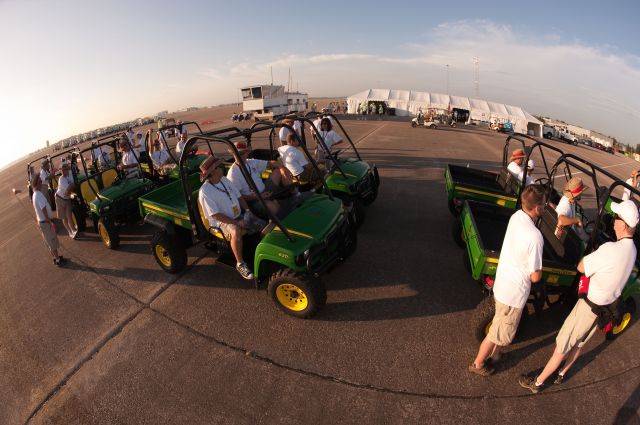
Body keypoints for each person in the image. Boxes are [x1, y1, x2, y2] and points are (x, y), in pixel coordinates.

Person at [519, 199, 639, 393]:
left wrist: (593, 254)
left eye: (616, 218)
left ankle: (538, 382)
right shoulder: (632, 249)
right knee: (579, 344)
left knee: (563, 344)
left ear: (624, 225)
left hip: (588, 308)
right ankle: (561, 374)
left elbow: (581, 267)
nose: (613, 221)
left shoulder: (610, 249)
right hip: (604, 309)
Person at [469, 185, 545, 376]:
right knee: (497, 333)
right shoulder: (535, 237)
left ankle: (496, 356)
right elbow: (535, 276)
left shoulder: (517, 216)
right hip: (514, 293)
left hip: (503, 282)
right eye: (543, 204)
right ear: (537, 208)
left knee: (500, 325)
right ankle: (478, 364)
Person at [198, 156, 254, 280]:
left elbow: (239, 197)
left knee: (260, 222)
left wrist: (248, 211)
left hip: (238, 215)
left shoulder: (224, 180)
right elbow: (216, 215)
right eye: (218, 166)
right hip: (222, 222)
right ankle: (240, 263)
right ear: (212, 172)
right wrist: (237, 222)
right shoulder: (205, 191)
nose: (221, 167)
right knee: (235, 230)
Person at [227, 140, 293, 217]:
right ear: (233, 154)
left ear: (247, 153)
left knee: (279, 171)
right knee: (274, 207)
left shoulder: (250, 162)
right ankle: (277, 220)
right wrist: (258, 196)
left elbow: (272, 163)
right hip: (253, 200)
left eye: (243, 153)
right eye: (237, 154)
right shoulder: (233, 174)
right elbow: (239, 197)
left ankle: (294, 194)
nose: (240, 156)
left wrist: (282, 168)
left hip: (264, 190)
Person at [32, 174, 66, 266]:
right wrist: (49, 221)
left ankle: (56, 257)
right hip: (45, 222)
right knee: (51, 241)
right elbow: (43, 208)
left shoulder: (35, 194)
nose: (41, 184)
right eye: (40, 182)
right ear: (37, 184)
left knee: (49, 241)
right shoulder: (38, 194)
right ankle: (58, 260)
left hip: (42, 221)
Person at [55, 162, 78, 238]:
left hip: (67, 198)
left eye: (65, 169)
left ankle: (73, 230)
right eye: (63, 170)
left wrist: (71, 186)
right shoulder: (61, 179)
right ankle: (69, 231)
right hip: (59, 198)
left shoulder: (70, 174)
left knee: (69, 215)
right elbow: (68, 189)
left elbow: (71, 188)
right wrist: (72, 185)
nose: (64, 171)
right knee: (64, 217)